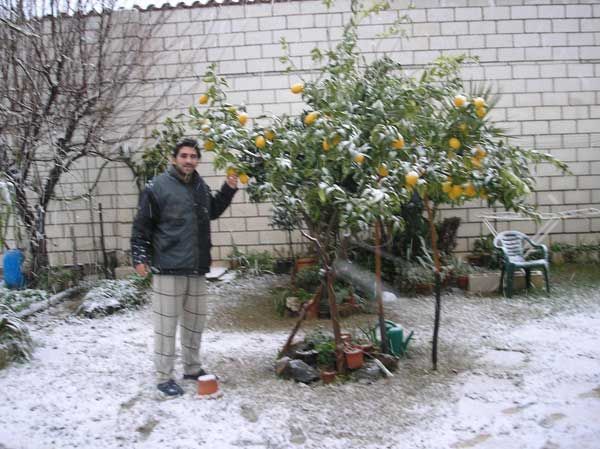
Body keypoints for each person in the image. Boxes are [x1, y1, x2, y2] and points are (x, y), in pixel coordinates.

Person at [131, 138, 238, 399]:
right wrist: (139, 256)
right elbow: (142, 224)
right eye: (184, 156)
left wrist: (228, 189)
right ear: (174, 158)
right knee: (166, 326)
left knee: (194, 324)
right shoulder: (157, 187)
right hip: (169, 267)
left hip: (197, 267)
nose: (189, 160)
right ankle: (163, 376)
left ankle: (191, 368)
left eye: (193, 156)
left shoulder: (200, 186)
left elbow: (210, 211)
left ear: (198, 160)